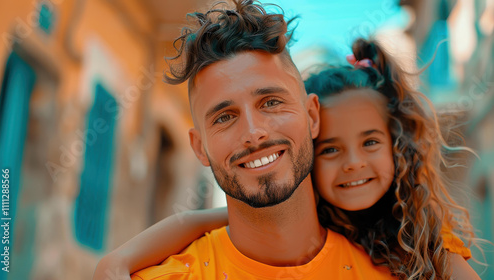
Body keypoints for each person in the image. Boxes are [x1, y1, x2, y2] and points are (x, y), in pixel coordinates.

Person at [93, 2, 481, 280]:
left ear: (312, 116)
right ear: (199, 148)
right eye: (225, 117)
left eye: (271, 102)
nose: (253, 132)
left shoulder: (410, 263)